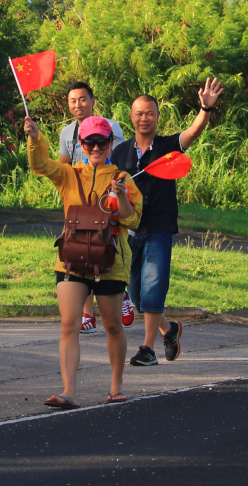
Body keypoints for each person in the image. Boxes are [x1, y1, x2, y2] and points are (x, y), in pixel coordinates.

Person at [25, 115, 143, 408]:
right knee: (69, 324)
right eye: (89, 141)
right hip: (72, 259)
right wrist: (34, 138)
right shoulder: (69, 174)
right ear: (80, 144)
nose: (96, 147)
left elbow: (133, 218)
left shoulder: (122, 178)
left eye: (102, 141)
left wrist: (122, 196)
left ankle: (116, 387)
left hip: (110, 260)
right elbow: (40, 166)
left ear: (110, 143)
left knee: (113, 325)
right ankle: (68, 392)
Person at [112, 79, 224, 366]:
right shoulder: (120, 152)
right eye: (139, 113)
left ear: (158, 116)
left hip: (159, 227)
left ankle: (147, 349)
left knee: (154, 285)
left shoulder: (168, 146)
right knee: (138, 296)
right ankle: (169, 330)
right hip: (130, 230)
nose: (144, 118)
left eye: (150, 112)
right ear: (131, 117)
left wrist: (205, 109)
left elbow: (193, 131)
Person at [58, 81, 134, 334]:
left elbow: (120, 157)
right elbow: (63, 166)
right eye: (72, 100)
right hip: (80, 201)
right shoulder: (67, 132)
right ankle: (87, 314)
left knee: (106, 247)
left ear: (92, 100)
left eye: (82, 99)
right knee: (82, 248)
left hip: (107, 194)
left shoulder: (111, 126)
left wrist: (114, 188)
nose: (77, 104)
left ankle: (121, 294)